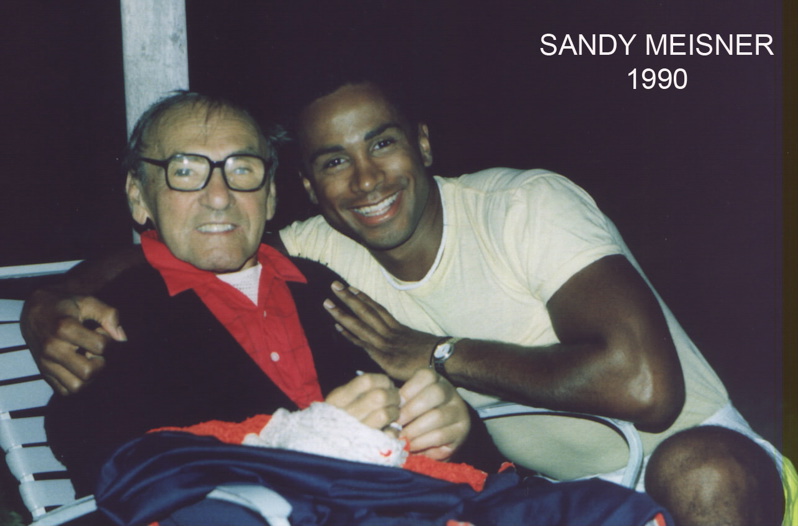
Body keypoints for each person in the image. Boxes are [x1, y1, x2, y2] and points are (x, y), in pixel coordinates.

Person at [23, 75, 795, 525]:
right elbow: (186, 264)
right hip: (448, 499)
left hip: (682, 458)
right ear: (311, 189)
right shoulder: (304, 262)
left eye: (381, 144)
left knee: (698, 483)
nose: (364, 181)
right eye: (189, 170)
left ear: (422, 145)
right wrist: (48, 299)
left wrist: (446, 395)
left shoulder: (509, 211)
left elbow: (642, 392)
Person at [41, 90, 497, 499]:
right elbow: (99, 458)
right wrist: (296, 444)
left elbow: (463, 448)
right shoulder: (116, 314)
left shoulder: (322, 287)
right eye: (185, 171)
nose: (218, 196)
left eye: (242, 169)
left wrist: (457, 427)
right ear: (140, 197)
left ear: (271, 195)